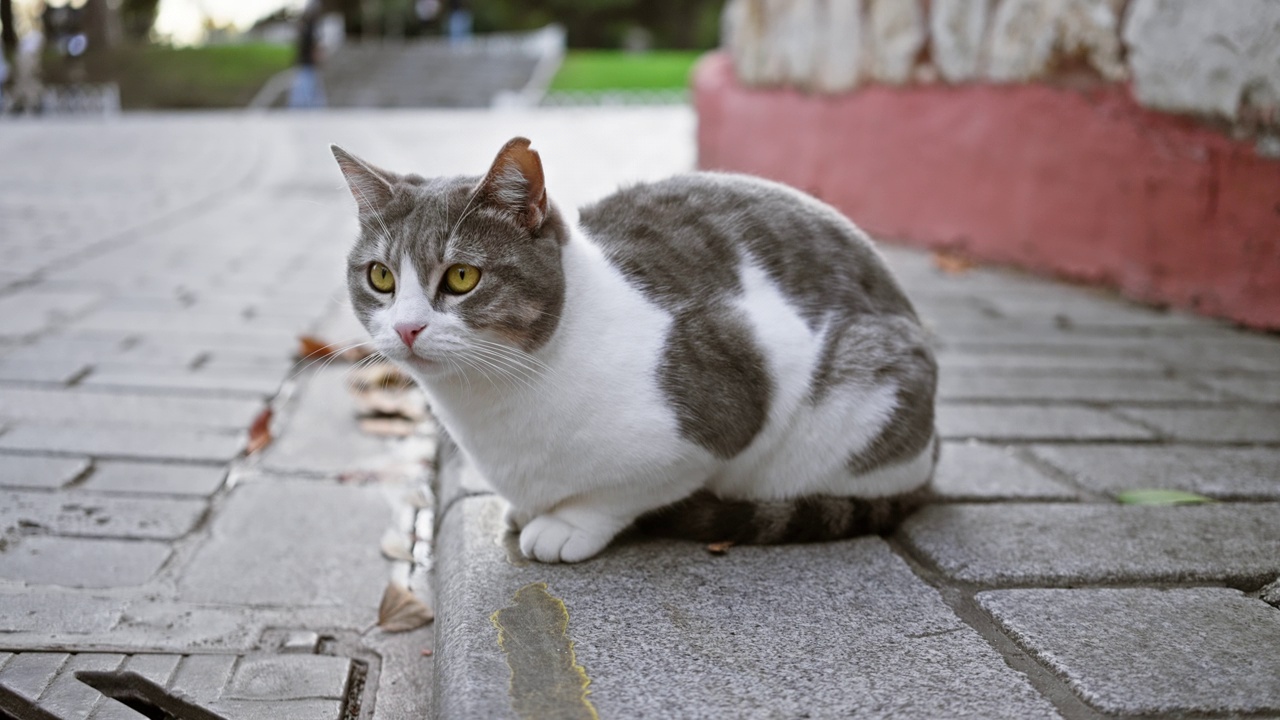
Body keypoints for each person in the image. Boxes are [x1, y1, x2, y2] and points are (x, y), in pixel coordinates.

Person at [288, 0, 326, 109]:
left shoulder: (309, 27)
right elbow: (313, 47)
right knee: (304, 90)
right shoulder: (309, 28)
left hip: (307, 64)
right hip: (306, 64)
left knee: (308, 89)